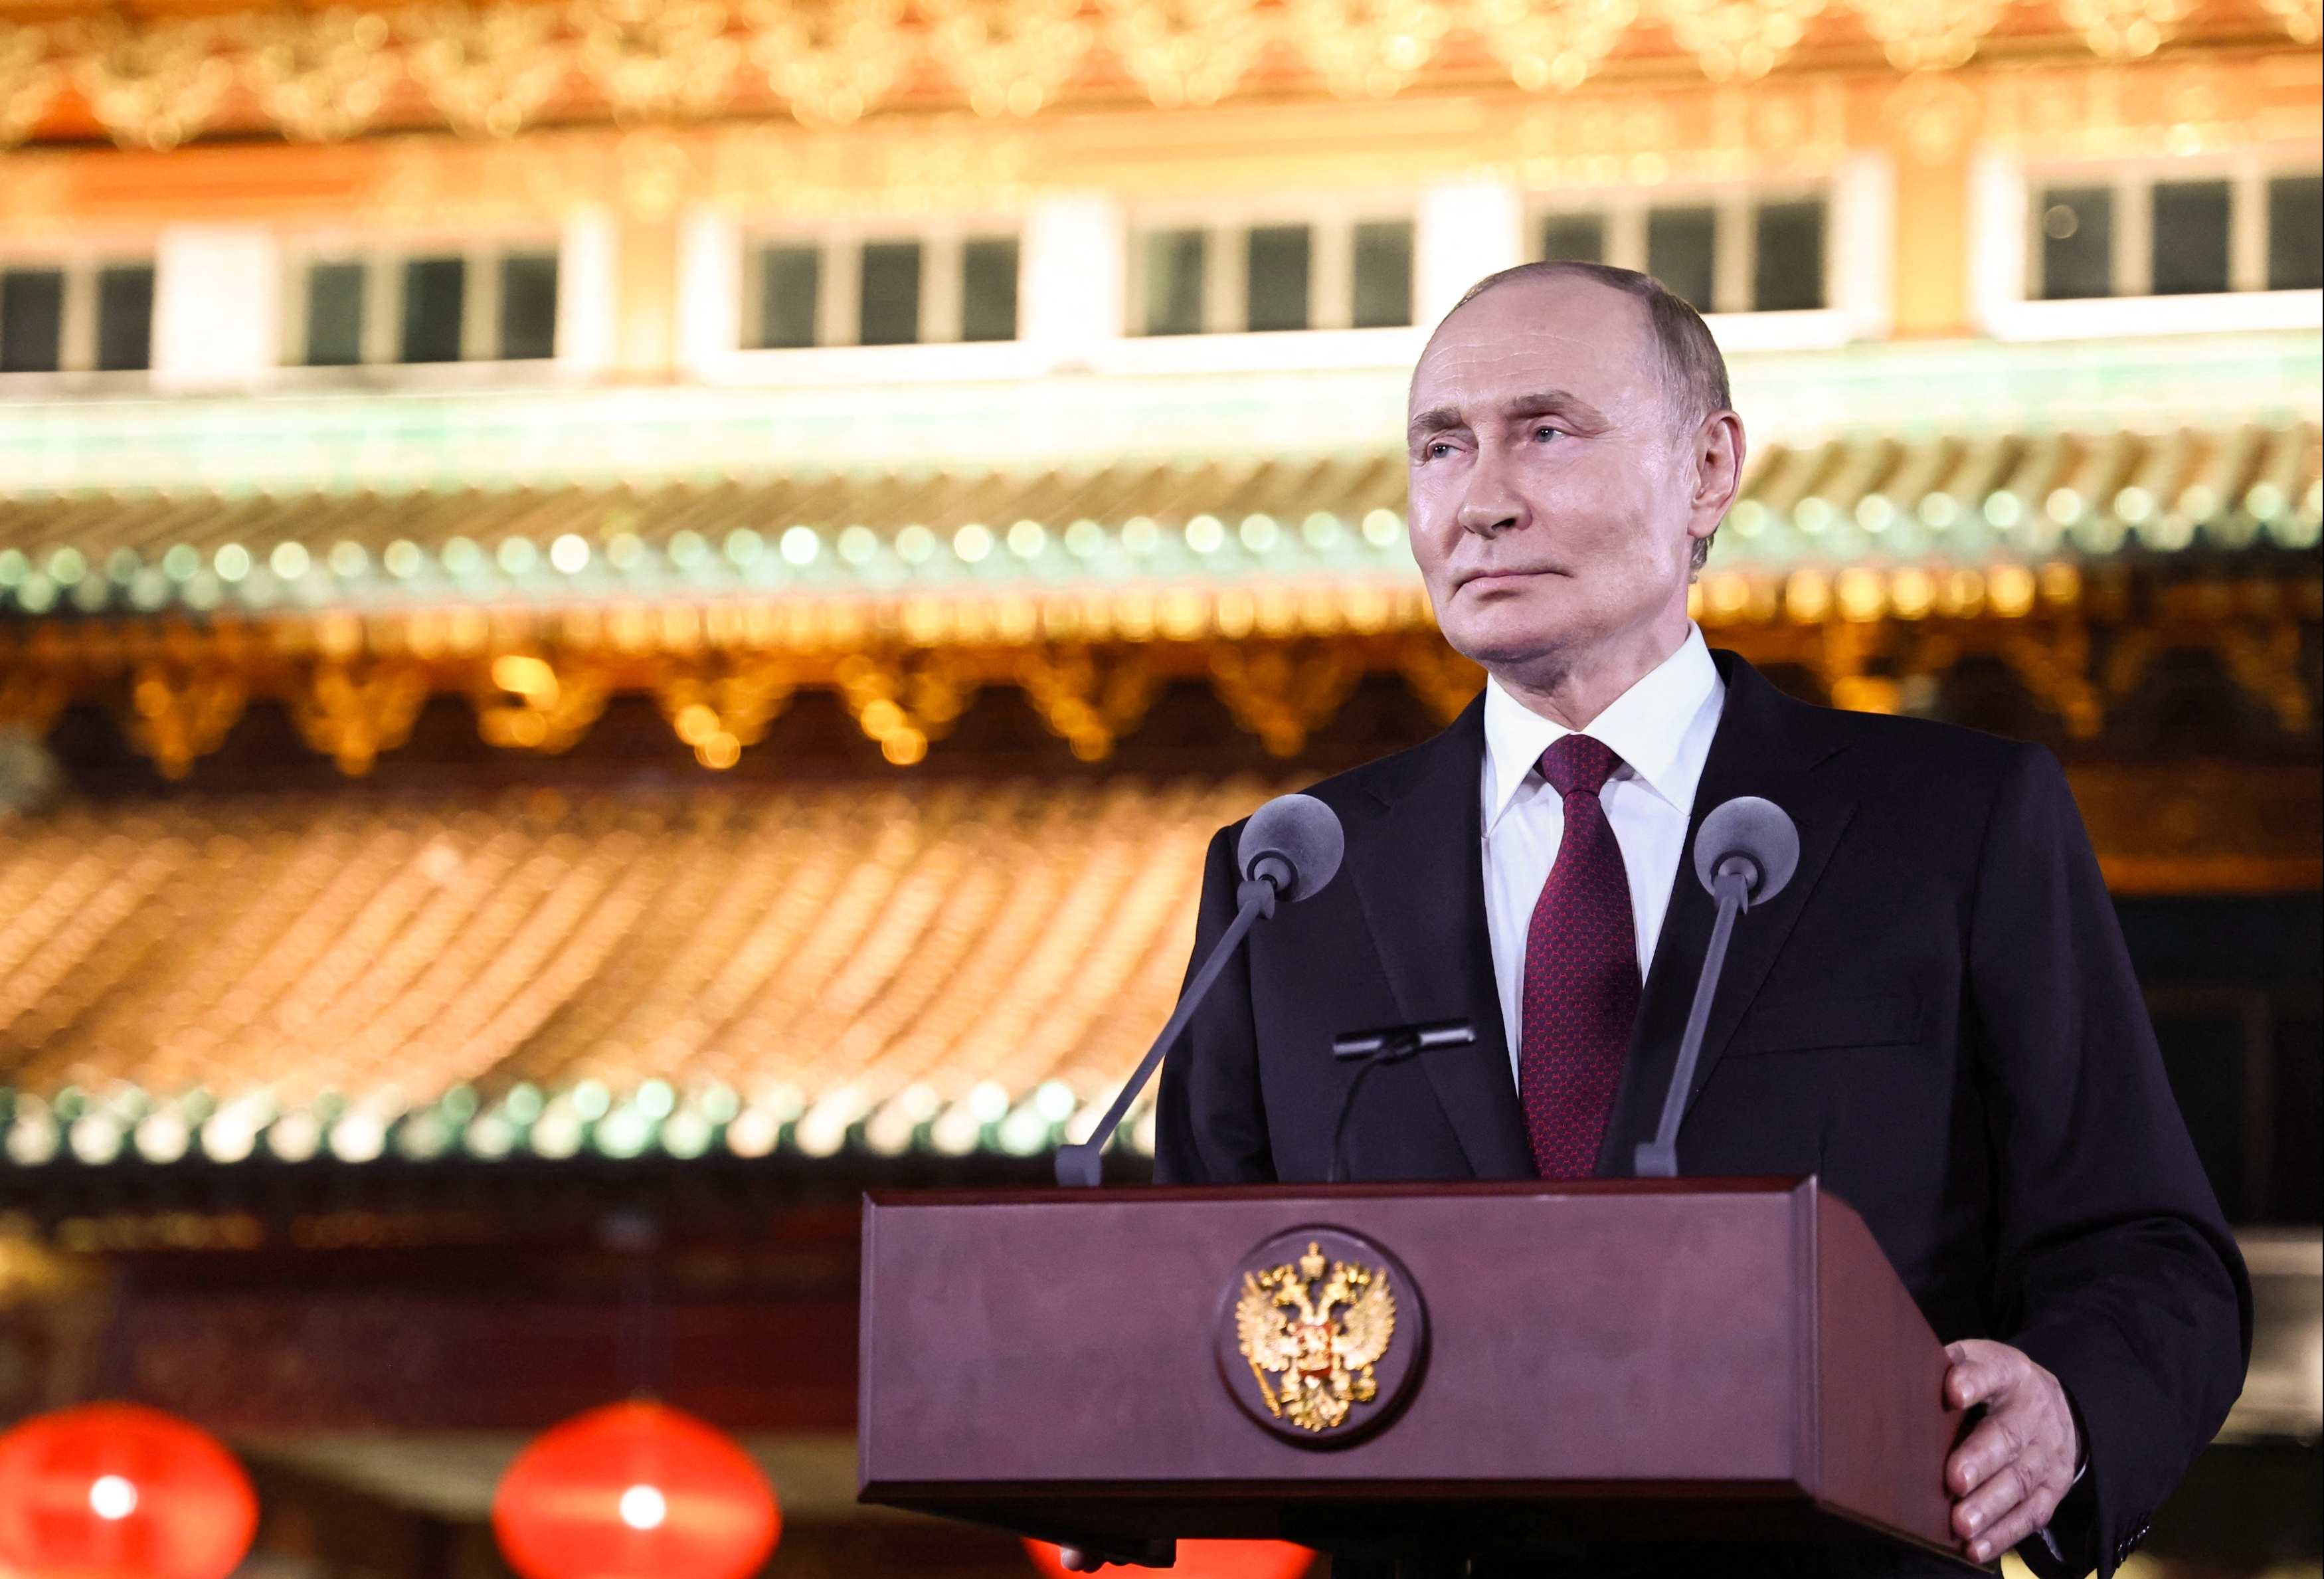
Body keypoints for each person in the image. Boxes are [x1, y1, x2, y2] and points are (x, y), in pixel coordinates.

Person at [1153, 262, 2249, 1578]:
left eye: (1545, 432)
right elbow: (1197, 1296)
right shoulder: (1292, 876)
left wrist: (2066, 1408)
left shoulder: (1950, 825)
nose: (1482, 499)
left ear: (1710, 469)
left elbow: (2151, 1249)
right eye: (1440, 447)